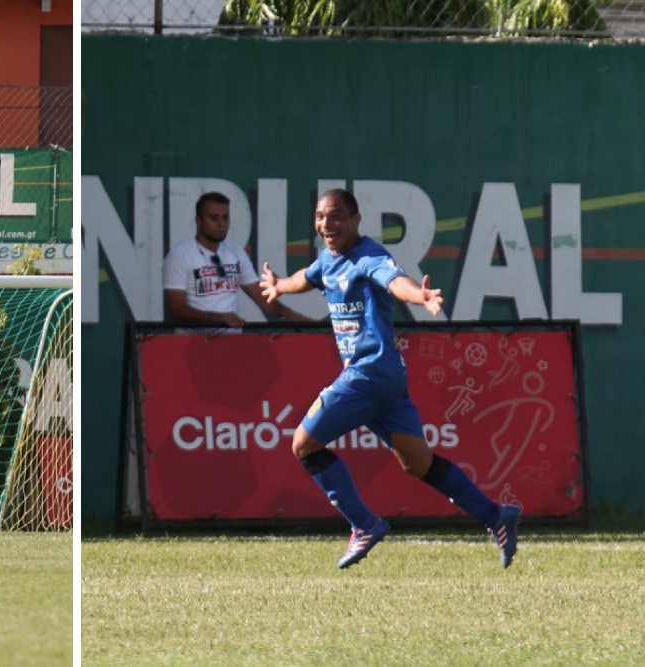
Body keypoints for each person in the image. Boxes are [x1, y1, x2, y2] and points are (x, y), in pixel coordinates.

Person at [258, 188, 520, 569]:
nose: (326, 224)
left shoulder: (369, 256)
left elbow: (396, 281)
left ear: (355, 220)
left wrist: (421, 296)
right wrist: (279, 285)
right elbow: (308, 277)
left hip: (368, 373)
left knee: (303, 444)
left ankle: (364, 525)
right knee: (419, 464)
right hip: (388, 380)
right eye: (320, 217)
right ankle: (497, 517)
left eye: (335, 216)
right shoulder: (329, 259)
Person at [163, 191, 309, 328]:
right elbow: (177, 309)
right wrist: (218, 319)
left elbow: (260, 296)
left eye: (225, 217)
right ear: (198, 221)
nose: (221, 223)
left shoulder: (235, 251)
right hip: (193, 344)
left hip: (231, 343)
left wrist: (290, 314)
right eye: (214, 218)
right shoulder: (180, 255)